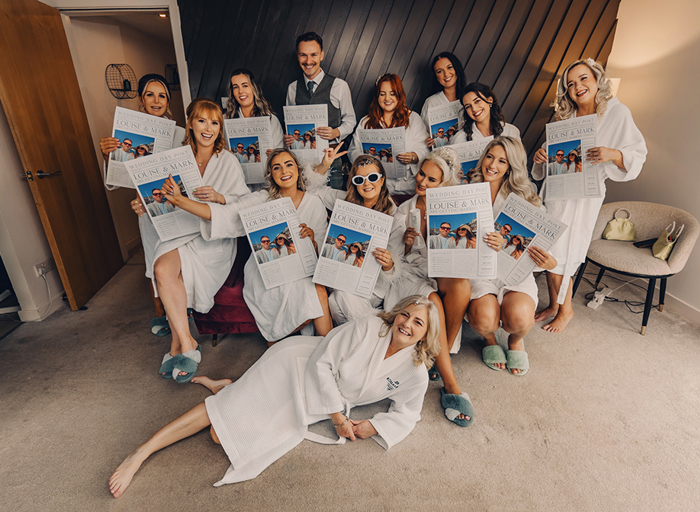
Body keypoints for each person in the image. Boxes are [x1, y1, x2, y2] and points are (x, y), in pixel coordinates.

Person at [108, 295, 440, 496]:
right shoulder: (369, 326)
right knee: (217, 416)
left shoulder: (414, 370)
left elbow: (409, 412)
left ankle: (230, 386)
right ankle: (140, 453)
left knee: (219, 438)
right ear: (395, 314)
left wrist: (375, 426)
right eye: (405, 315)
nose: (407, 324)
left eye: (418, 323)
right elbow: (322, 364)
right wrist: (338, 417)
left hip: (315, 401)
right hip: (297, 365)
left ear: (426, 336)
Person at [531, 58, 647, 333]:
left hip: (584, 196)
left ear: (597, 81)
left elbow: (638, 154)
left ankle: (566, 310)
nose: (577, 86)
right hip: (557, 190)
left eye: (583, 79)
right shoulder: (567, 118)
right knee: (549, 247)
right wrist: (540, 157)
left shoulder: (617, 113)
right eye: (570, 84)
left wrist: (613, 153)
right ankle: (553, 305)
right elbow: (549, 156)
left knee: (566, 250)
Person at [151, 98, 251, 383]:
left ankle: (177, 345)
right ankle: (186, 342)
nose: (208, 128)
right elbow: (164, 198)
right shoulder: (176, 156)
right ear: (191, 124)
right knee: (162, 270)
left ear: (220, 129)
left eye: (215, 123)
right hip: (179, 229)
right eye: (202, 121)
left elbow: (243, 202)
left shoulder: (228, 161)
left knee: (175, 273)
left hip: (212, 237)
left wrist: (220, 197)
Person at [383, 147, 473, 427]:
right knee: (431, 298)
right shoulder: (404, 209)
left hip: (439, 268)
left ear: (443, 183)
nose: (422, 181)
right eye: (421, 173)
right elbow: (395, 259)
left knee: (461, 285)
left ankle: (436, 353)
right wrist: (408, 242)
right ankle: (451, 384)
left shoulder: (454, 212)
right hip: (410, 273)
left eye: (431, 179)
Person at [206, 148, 333, 342]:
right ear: (271, 175)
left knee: (318, 289)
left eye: (289, 165)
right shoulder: (262, 199)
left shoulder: (314, 202)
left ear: (298, 170)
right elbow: (234, 210)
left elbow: (321, 252)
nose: (284, 171)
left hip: (302, 265)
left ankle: (323, 348)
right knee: (306, 292)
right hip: (266, 267)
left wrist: (312, 239)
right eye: (277, 167)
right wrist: (214, 199)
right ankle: (277, 338)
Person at [100, 73, 187, 338]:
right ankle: (160, 312)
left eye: (162, 95)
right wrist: (109, 156)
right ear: (141, 100)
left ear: (168, 101)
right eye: (150, 94)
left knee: (178, 258)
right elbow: (115, 181)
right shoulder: (127, 133)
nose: (156, 100)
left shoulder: (180, 133)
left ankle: (184, 308)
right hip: (145, 207)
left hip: (175, 204)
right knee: (153, 259)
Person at [467, 136, 558, 376]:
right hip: (480, 270)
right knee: (484, 319)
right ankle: (489, 339)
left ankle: (515, 341)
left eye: (502, 161)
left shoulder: (528, 201)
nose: (492, 165)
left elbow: (547, 249)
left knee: (519, 319)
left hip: (513, 273)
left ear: (511, 167)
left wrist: (549, 261)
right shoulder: (467, 190)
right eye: (489, 156)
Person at [308, 148, 405, 324]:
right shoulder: (344, 201)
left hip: (372, 289)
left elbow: (393, 269)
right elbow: (312, 190)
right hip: (342, 278)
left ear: (382, 180)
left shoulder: (396, 217)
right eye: (360, 179)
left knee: (339, 297)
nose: (367, 184)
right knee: (334, 299)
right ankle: (372, 334)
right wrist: (324, 165)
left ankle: (372, 335)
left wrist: (388, 264)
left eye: (373, 178)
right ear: (354, 183)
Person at [348, 74, 429, 195]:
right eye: (382, 94)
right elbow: (353, 150)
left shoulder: (413, 118)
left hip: (409, 186)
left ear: (399, 95)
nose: (387, 98)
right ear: (377, 96)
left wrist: (413, 156)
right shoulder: (366, 121)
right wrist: (366, 163)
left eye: (392, 93)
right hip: (378, 188)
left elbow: (425, 147)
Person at [285, 32, 356, 169]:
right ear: (298, 56)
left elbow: (351, 120)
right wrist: (288, 138)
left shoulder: (339, 85)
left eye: (313, 54)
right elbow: (291, 124)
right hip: (302, 161)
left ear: (321, 55)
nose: (308, 61)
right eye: (303, 55)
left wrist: (337, 132)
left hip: (331, 158)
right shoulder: (292, 88)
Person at [224, 68, 284, 154]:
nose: (240, 91)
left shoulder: (271, 120)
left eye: (245, 86)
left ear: (254, 88)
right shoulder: (224, 120)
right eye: (236, 87)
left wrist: (275, 154)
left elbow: (280, 153)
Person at [421, 52, 467, 148]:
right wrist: (426, 141)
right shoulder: (431, 102)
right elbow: (421, 134)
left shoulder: (470, 98)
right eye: (439, 71)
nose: (446, 74)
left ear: (457, 69)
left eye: (449, 67)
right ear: (436, 77)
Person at [451, 82, 521, 143]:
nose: (474, 109)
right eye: (468, 106)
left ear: (490, 100)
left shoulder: (511, 131)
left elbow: (520, 158)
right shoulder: (460, 138)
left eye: (477, 101)